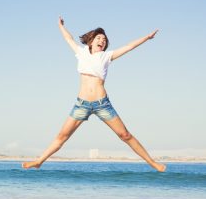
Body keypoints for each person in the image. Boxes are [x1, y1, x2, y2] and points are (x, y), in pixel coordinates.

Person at [22, 16, 166, 172]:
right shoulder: (81, 52)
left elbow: (129, 46)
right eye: (99, 38)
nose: (102, 41)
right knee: (62, 136)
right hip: (81, 104)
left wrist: (147, 37)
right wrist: (61, 26)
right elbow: (68, 38)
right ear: (91, 41)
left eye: (104, 39)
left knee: (125, 135)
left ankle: (152, 163)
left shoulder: (106, 56)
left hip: (102, 103)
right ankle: (39, 161)